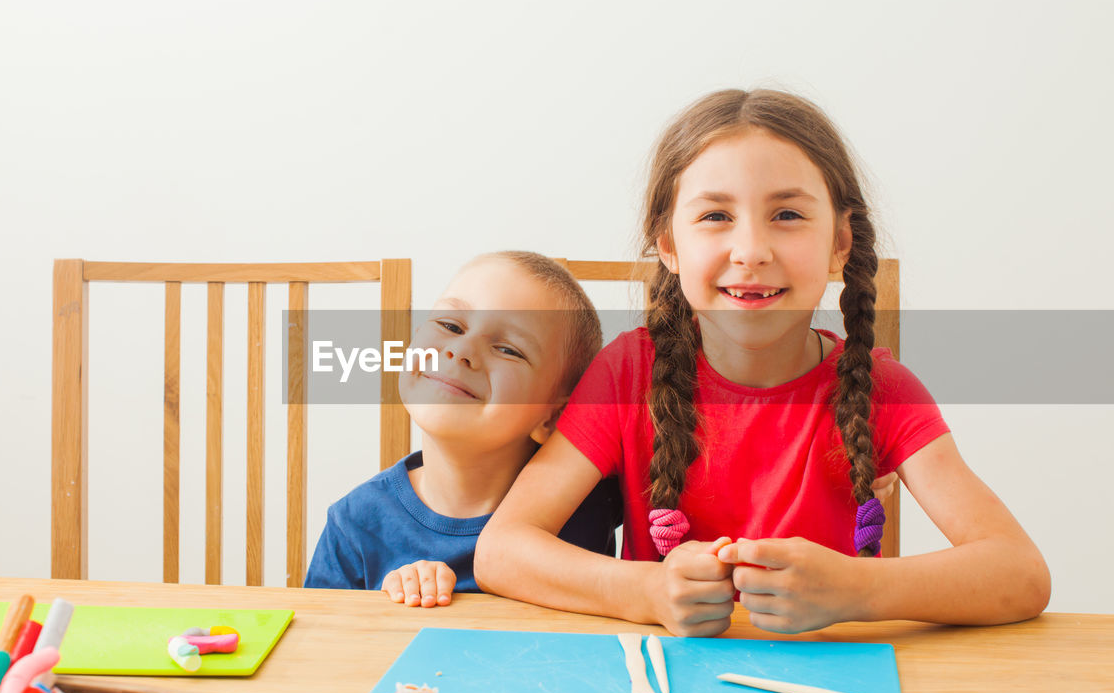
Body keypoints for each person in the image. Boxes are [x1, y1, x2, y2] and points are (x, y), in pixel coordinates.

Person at [474, 88, 1050, 635]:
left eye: (788, 215)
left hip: (829, 690)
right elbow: (503, 550)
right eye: (715, 216)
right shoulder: (628, 373)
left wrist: (859, 590)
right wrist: (647, 592)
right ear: (668, 246)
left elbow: (1020, 573)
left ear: (840, 244)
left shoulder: (883, 390)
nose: (751, 251)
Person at [305, 251, 621, 606]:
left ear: (553, 417)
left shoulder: (591, 498)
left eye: (507, 349)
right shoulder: (355, 524)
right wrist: (389, 606)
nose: (461, 350)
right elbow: (316, 647)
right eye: (450, 326)